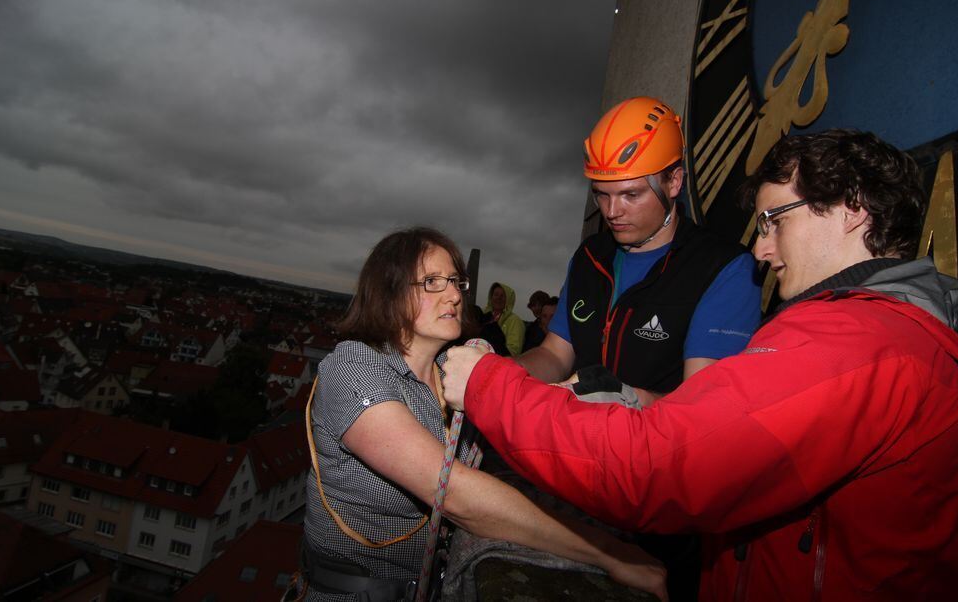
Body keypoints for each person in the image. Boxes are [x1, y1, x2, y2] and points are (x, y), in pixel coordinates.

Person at [442, 131, 958, 600]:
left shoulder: (858, 343)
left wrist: (488, 384)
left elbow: (658, 469)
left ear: (850, 210)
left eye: (774, 220)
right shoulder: (876, 332)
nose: (760, 249)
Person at [301, 227, 666, 601]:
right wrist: (609, 554)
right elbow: (454, 494)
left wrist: (631, 403)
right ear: (389, 291)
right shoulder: (353, 368)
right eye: (432, 282)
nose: (456, 294)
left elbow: (533, 410)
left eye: (456, 281)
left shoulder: (453, 374)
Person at [519, 97, 761, 402]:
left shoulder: (723, 268)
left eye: (630, 194)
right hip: (574, 438)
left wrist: (629, 401)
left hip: (656, 446)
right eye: (601, 195)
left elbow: (703, 405)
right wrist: (502, 372)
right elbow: (555, 355)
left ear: (673, 182)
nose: (612, 211)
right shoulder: (590, 257)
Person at [480, 281, 524, 357]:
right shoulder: (481, 314)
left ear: (508, 300)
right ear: (491, 297)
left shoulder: (515, 321)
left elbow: (514, 350)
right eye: (496, 294)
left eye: (503, 296)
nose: (498, 298)